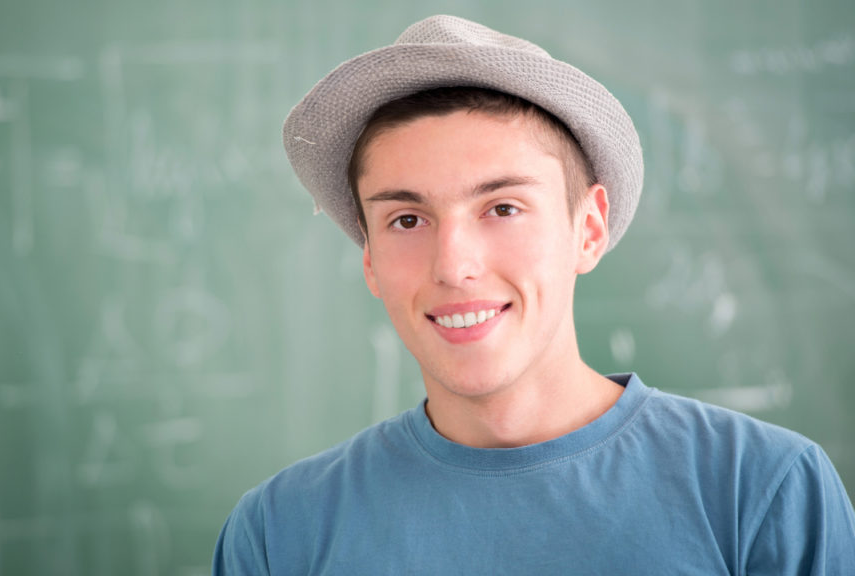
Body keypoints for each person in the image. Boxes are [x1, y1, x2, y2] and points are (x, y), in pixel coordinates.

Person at [213, 15, 855, 575]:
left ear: (589, 229)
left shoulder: (765, 492)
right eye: (407, 220)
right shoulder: (280, 534)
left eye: (503, 207)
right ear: (371, 260)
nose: (454, 266)